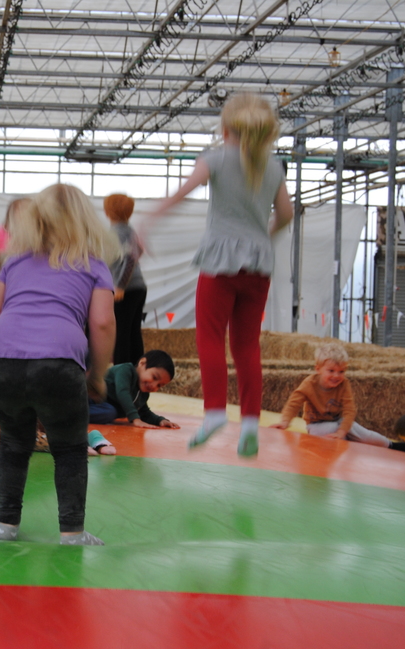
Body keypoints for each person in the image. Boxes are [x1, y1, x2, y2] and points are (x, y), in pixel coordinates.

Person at [0, 183, 118, 546]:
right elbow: (102, 323)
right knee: (68, 448)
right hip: (58, 361)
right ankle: (72, 531)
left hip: (3, 359)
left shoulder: (13, 262)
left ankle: (6, 524)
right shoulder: (93, 266)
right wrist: (97, 375)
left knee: (12, 442)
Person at [143, 92, 292, 458]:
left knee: (210, 336)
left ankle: (213, 414)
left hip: (220, 262)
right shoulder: (273, 166)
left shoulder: (217, 158)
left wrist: (149, 221)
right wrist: (262, 237)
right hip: (258, 265)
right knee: (247, 345)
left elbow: (183, 193)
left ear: (226, 129)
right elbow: (287, 213)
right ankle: (251, 424)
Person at [272, 342, 405, 452]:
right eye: (331, 371)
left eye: (341, 371)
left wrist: (342, 430)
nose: (336, 376)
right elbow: (294, 403)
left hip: (339, 422)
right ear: (318, 369)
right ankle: (345, 440)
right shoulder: (309, 384)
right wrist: (285, 422)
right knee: (333, 431)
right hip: (316, 425)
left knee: (362, 433)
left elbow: (349, 410)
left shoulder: (344, 384)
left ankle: (391, 445)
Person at [104, 194, 147, 366]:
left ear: (108, 212)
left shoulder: (115, 232)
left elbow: (129, 258)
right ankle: (137, 372)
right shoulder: (130, 230)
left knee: (120, 334)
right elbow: (139, 251)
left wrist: (120, 285)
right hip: (139, 287)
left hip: (126, 289)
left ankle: (120, 372)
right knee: (133, 332)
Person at [89, 350, 179, 429]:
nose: (154, 386)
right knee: (109, 411)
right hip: (89, 397)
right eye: (154, 377)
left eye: (159, 385)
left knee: (109, 413)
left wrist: (160, 420)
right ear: (142, 363)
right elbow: (122, 392)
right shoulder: (125, 370)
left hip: (100, 407)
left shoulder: (142, 394)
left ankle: (78, 414)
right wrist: (135, 419)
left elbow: (144, 412)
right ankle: (76, 411)